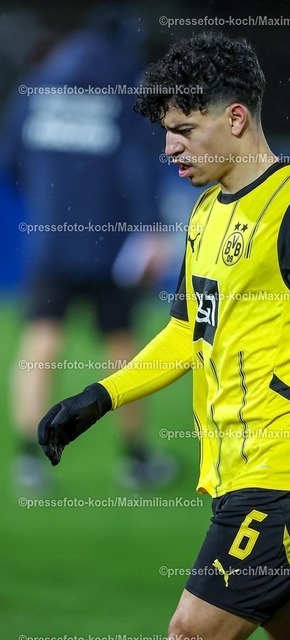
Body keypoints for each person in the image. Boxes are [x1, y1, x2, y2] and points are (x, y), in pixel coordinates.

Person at [37, 32, 290, 639]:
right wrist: (100, 398)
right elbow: (187, 333)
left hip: (285, 473)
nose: (169, 148)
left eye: (184, 129)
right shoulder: (206, 211)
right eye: (165, 132)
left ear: (235, 119)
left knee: (191, 632)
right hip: (238, 468)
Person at [2, 9, 177, 491]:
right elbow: (138, 165)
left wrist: (49, 200)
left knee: (41, 343)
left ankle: (28, 459)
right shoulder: (124, 82)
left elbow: (11, 160)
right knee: (123, 347)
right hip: (108, 241)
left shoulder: (39, 82)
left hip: (52, 239)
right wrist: (151, 228)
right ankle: (136, 459)